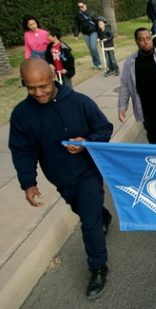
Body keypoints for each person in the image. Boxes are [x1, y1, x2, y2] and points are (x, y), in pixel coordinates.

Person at [9, 58, 113, 300]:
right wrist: (28, 182)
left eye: (43, 86)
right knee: (87, 212)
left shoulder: (79, 102)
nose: (38, 92)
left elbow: (104, 129)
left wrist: (87, 142)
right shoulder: (22, 115)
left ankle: (98, 267)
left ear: (53, 76)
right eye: (31, 88)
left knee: (89, 223)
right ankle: (102, 215)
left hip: (88, 173)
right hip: (61, 179)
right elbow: (22, 150)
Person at [119, 28, 156, 144]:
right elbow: (125, 85)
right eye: (141, 39)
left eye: (148, 38)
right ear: (136, 42)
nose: (146, 42)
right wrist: (122, 107)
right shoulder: (130, 62)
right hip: (144, 111)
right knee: (153, 143)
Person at [73, 1, 102, 69]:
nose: (81, 8)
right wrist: (76, 34)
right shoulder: (78, 14)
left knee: (93, 48)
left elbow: (97, 23)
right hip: (85, 34)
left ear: (85, 5)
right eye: (79, 7)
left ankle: (99, 63)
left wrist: (100, 35)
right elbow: (76, 24)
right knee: (91, 49)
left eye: (82, 6)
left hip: (93, 32)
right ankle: (95, 64)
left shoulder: (92, 12)